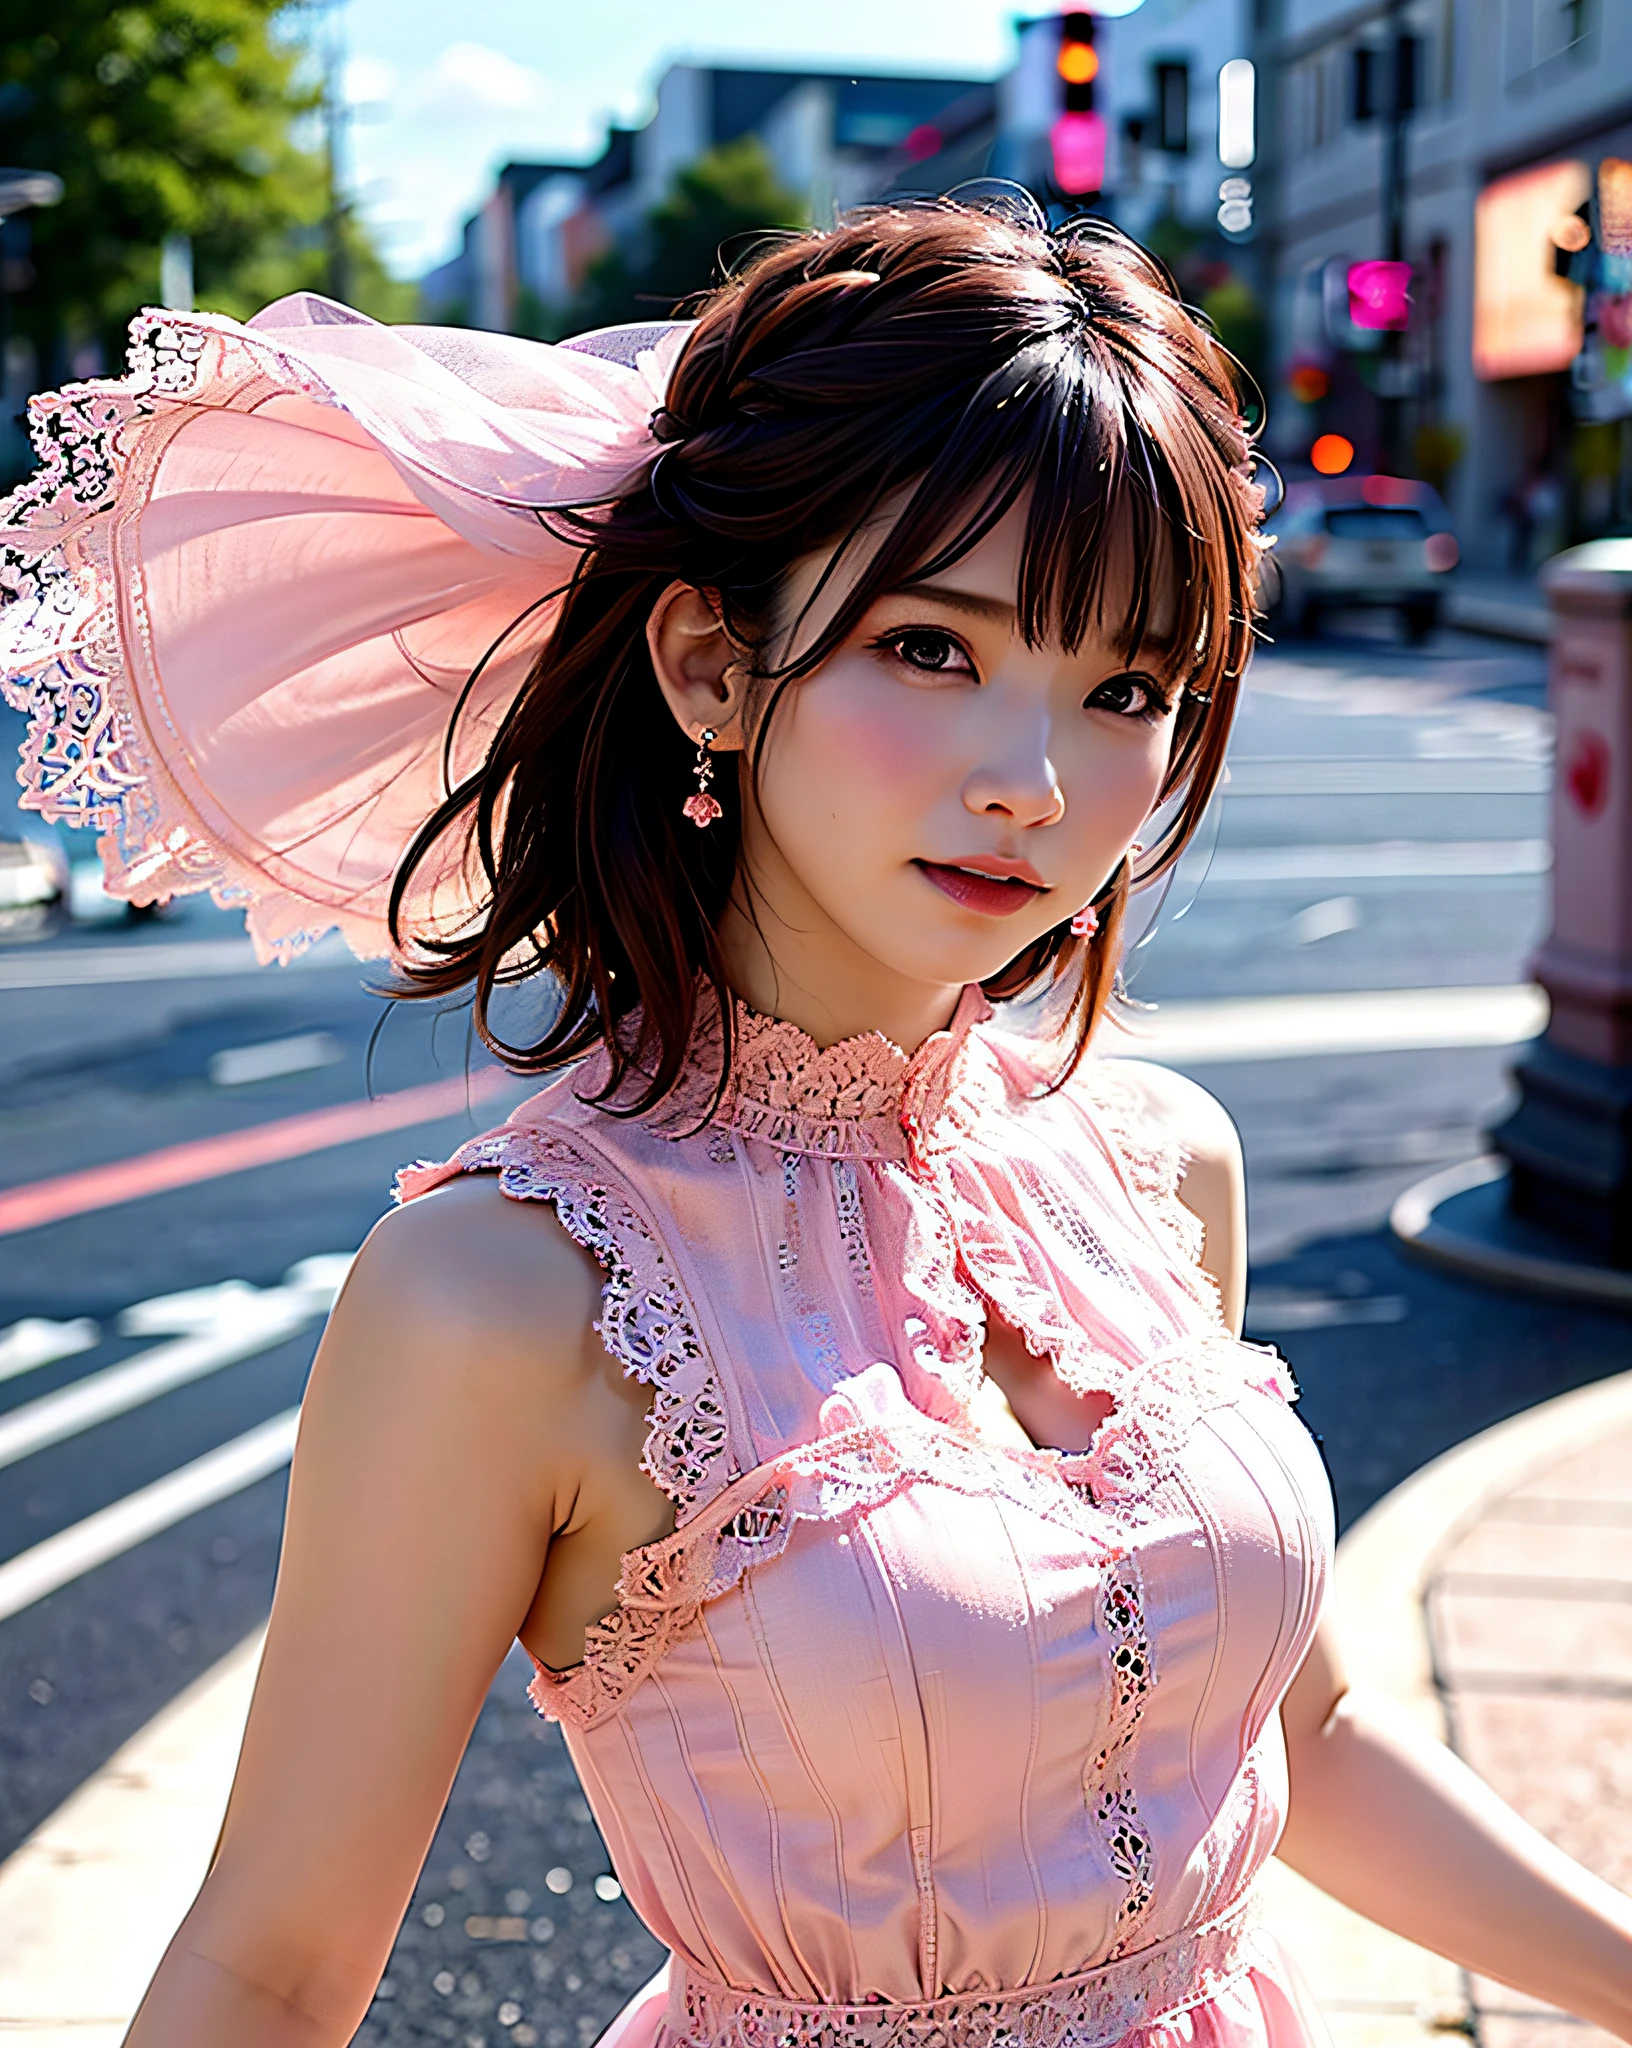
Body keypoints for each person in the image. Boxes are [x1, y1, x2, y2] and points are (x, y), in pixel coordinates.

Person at [3, 197, 1629, 2048]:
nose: (1032, 783)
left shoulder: (1158, 1168)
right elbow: (273, 1970)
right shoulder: (501, 1299)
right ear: (711, 666)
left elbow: (1307, 1745)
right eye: (934, 649)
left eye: (1127, 689)